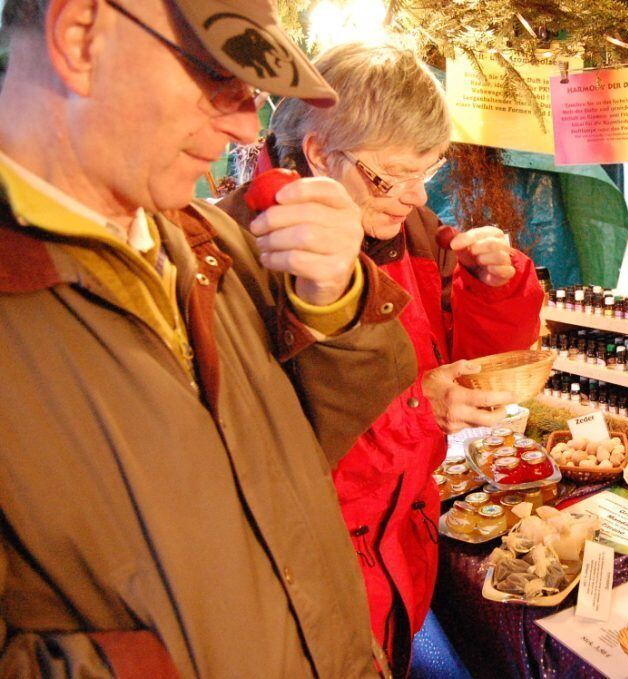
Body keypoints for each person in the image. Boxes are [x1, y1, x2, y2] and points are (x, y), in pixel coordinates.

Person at [0, 1, 417, 677]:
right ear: (79, 37)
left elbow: (313, 450)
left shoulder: (213, 238)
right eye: (216, 75)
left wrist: (336, 298)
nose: (244, 125)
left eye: (251, 92)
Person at [218, 41, 546, 675]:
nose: (417, 197)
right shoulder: (243, 258)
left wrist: (493, 287)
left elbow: (481, 371)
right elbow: (278, 456)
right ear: (317, 151)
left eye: (430, 170)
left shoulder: (406, 231)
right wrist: (423, 408)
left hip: (401, 544)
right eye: (392, 175)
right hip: (319, 571)